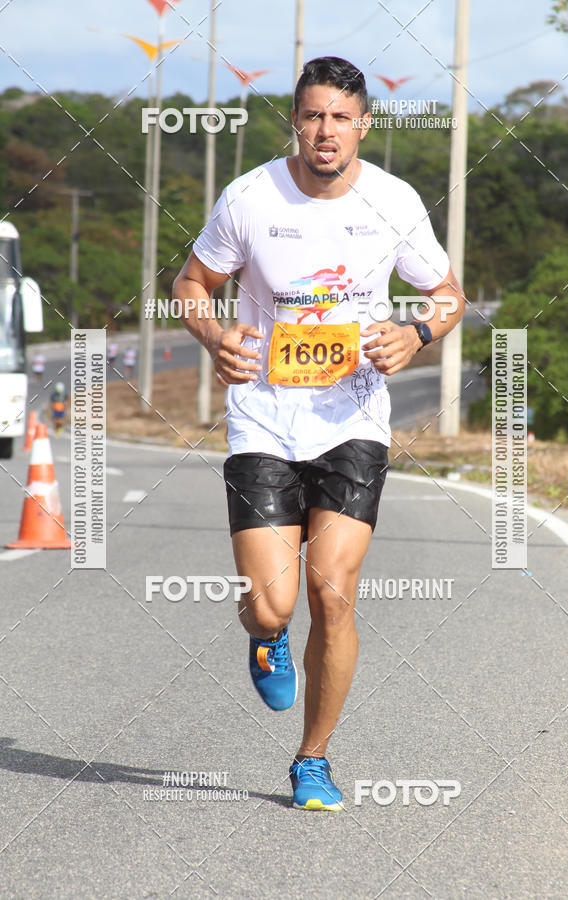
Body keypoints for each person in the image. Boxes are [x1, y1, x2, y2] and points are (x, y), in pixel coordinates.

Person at [173, 56, 465, 811]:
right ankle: (264, 635)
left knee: (331, 592)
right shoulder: (249, 197)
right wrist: (213, 337)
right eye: (312, 116)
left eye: (340, 117)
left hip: (353, 417)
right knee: (273, 605)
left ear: (363, 124)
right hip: (265, 417)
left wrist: (417, 333)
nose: (325, 131)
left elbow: (446, 295)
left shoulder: (394, 201)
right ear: (295, 123)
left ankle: (313, 759)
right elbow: (191, 285)